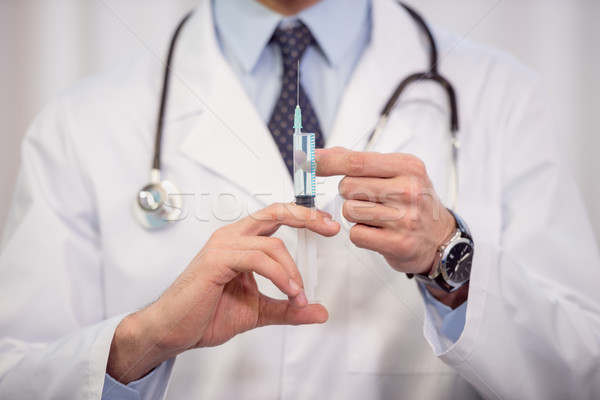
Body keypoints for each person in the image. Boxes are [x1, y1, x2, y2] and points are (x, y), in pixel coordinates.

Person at [1, 0, 599, 398]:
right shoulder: (80, 124)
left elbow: (580, 367)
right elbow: (16, 373)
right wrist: (142, 342)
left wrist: (452, 260)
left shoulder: (502, 94)